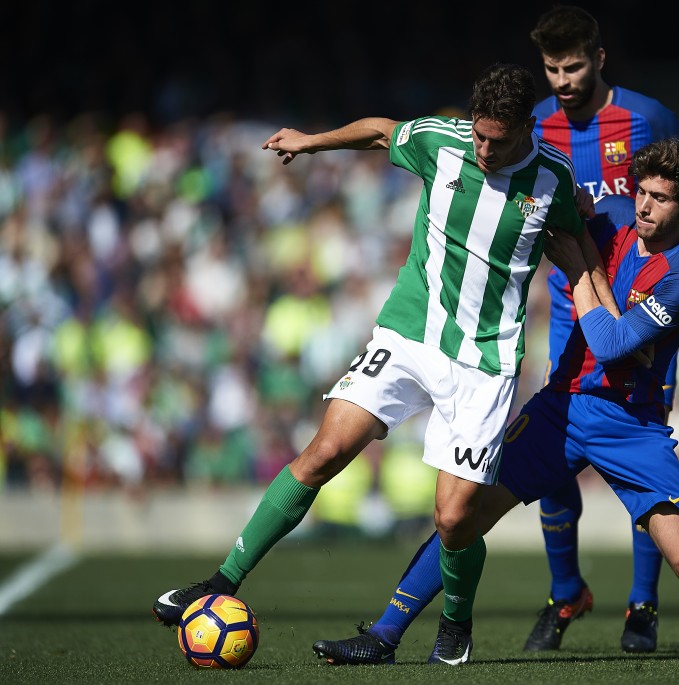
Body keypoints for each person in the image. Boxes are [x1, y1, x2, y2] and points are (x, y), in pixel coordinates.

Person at [150, 63, 587, 663]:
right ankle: (220, 582)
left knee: (455, 519)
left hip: (484, 361)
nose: (485, 150)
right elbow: (382, 131)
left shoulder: (553, 179)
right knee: (323, 452)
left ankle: (455, 626)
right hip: (409, 333)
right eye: (480, 135)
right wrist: (310, 142)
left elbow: (581, 243)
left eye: (499, 140)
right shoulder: (442, 142)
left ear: (526, 130)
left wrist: (610, 315)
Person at [312, 137, 679, 666]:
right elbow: (542, 214)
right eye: (641, 191)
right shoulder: (613, 216)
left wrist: (580, 271)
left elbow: (611, 346)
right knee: (462, 517)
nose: (643, 206)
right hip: (561, 408)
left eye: (660, 198)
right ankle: (384, 636)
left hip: (630, 423)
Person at [526, 4, 679, 654]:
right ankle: (565, 590)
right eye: (552, 69)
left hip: (639, 317)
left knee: (639, 453)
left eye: (574, 66)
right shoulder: (538, 124)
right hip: (571, 310)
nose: (563, 80)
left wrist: (675, 264)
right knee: (553, 457)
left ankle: (643, 604)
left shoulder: (647, 117)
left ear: (599, 59)